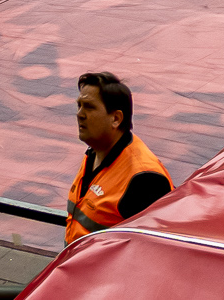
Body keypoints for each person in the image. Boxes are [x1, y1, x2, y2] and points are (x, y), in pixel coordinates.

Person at [65, 71, 170, 247]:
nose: (80, 114)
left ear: (116, 118)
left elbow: (152, 250)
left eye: (89, 107)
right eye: (79, 106)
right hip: (78, 268)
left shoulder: (144, 179)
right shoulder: (93, 153)